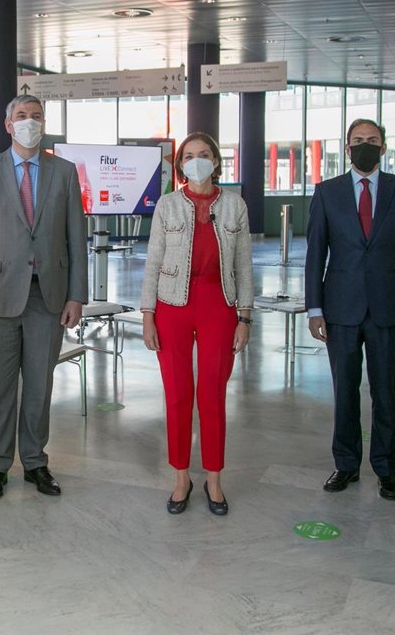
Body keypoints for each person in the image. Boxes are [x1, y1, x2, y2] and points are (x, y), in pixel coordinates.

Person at [0, 94, 88, 500]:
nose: (29, 121)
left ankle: (35, 461)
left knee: (39, 386)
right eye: (21, 115)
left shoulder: (64, 173)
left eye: (36, 116)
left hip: (48, 298)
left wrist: (77, 295)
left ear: (43, 123)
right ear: (8, 124)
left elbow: (76, 238)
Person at [305, 119, 395, 500]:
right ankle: (346, 464)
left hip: (389, 308)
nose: (365, 146)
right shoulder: (327, 192)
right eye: (358, 140)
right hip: (340, 308)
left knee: (385, 392)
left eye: (372, 140)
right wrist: (314, 308)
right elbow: (315, 254)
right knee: (345, 391)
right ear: (347, 148)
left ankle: (387, 469)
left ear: (384, 147)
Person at [141, 133, 253, 515]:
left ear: (216, 161)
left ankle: (214, 479)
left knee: (212, 395)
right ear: (180, 165)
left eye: (203, 154)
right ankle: (181, 478)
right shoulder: (168, 205)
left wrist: (244, 317)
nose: (196, 161)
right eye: (188, 156)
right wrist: (147, 315)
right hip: (171, 304)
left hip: (218, 303)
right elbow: (153, 261)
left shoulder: (235, 205)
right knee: (177, 394)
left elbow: (244, 265)